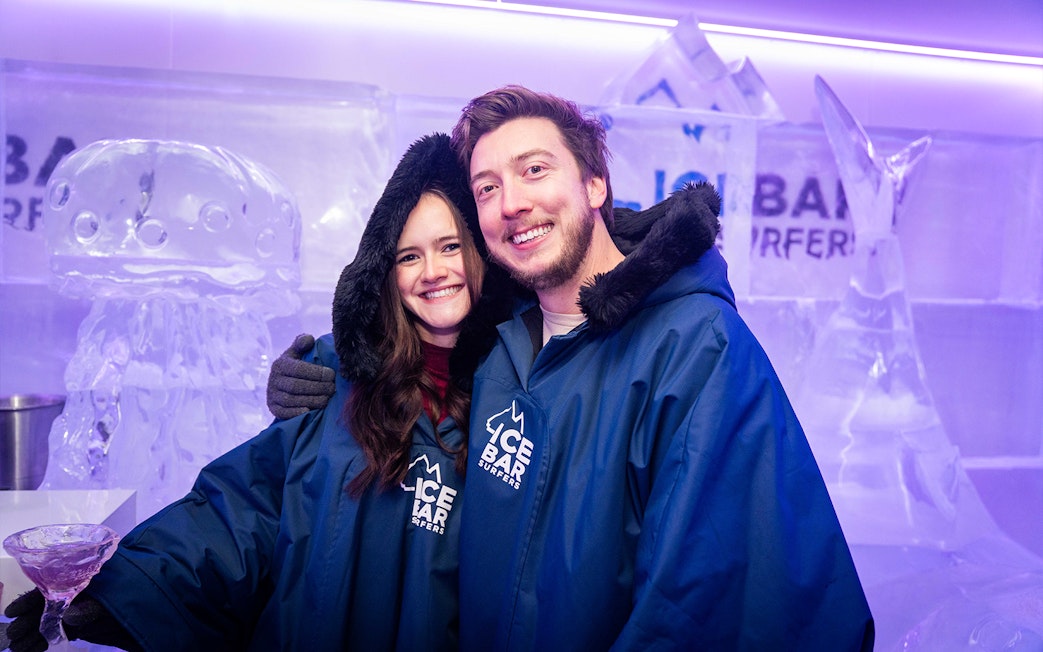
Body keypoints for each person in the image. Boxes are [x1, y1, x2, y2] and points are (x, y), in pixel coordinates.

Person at [269, 85, 874, 650]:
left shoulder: (696, 348)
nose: (512, 204)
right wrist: (333, 376)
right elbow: (416, 398)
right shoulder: (499, 345)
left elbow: (715, 604)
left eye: (535, 169)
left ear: (594, 185)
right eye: (486, 188)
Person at [4, 133, 492, 652]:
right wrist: (122, 594)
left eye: (450, 247)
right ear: (384, 272)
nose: (433, 271)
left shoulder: (516, 395)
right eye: (408, 256)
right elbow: (240, 510)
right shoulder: (335, 380)